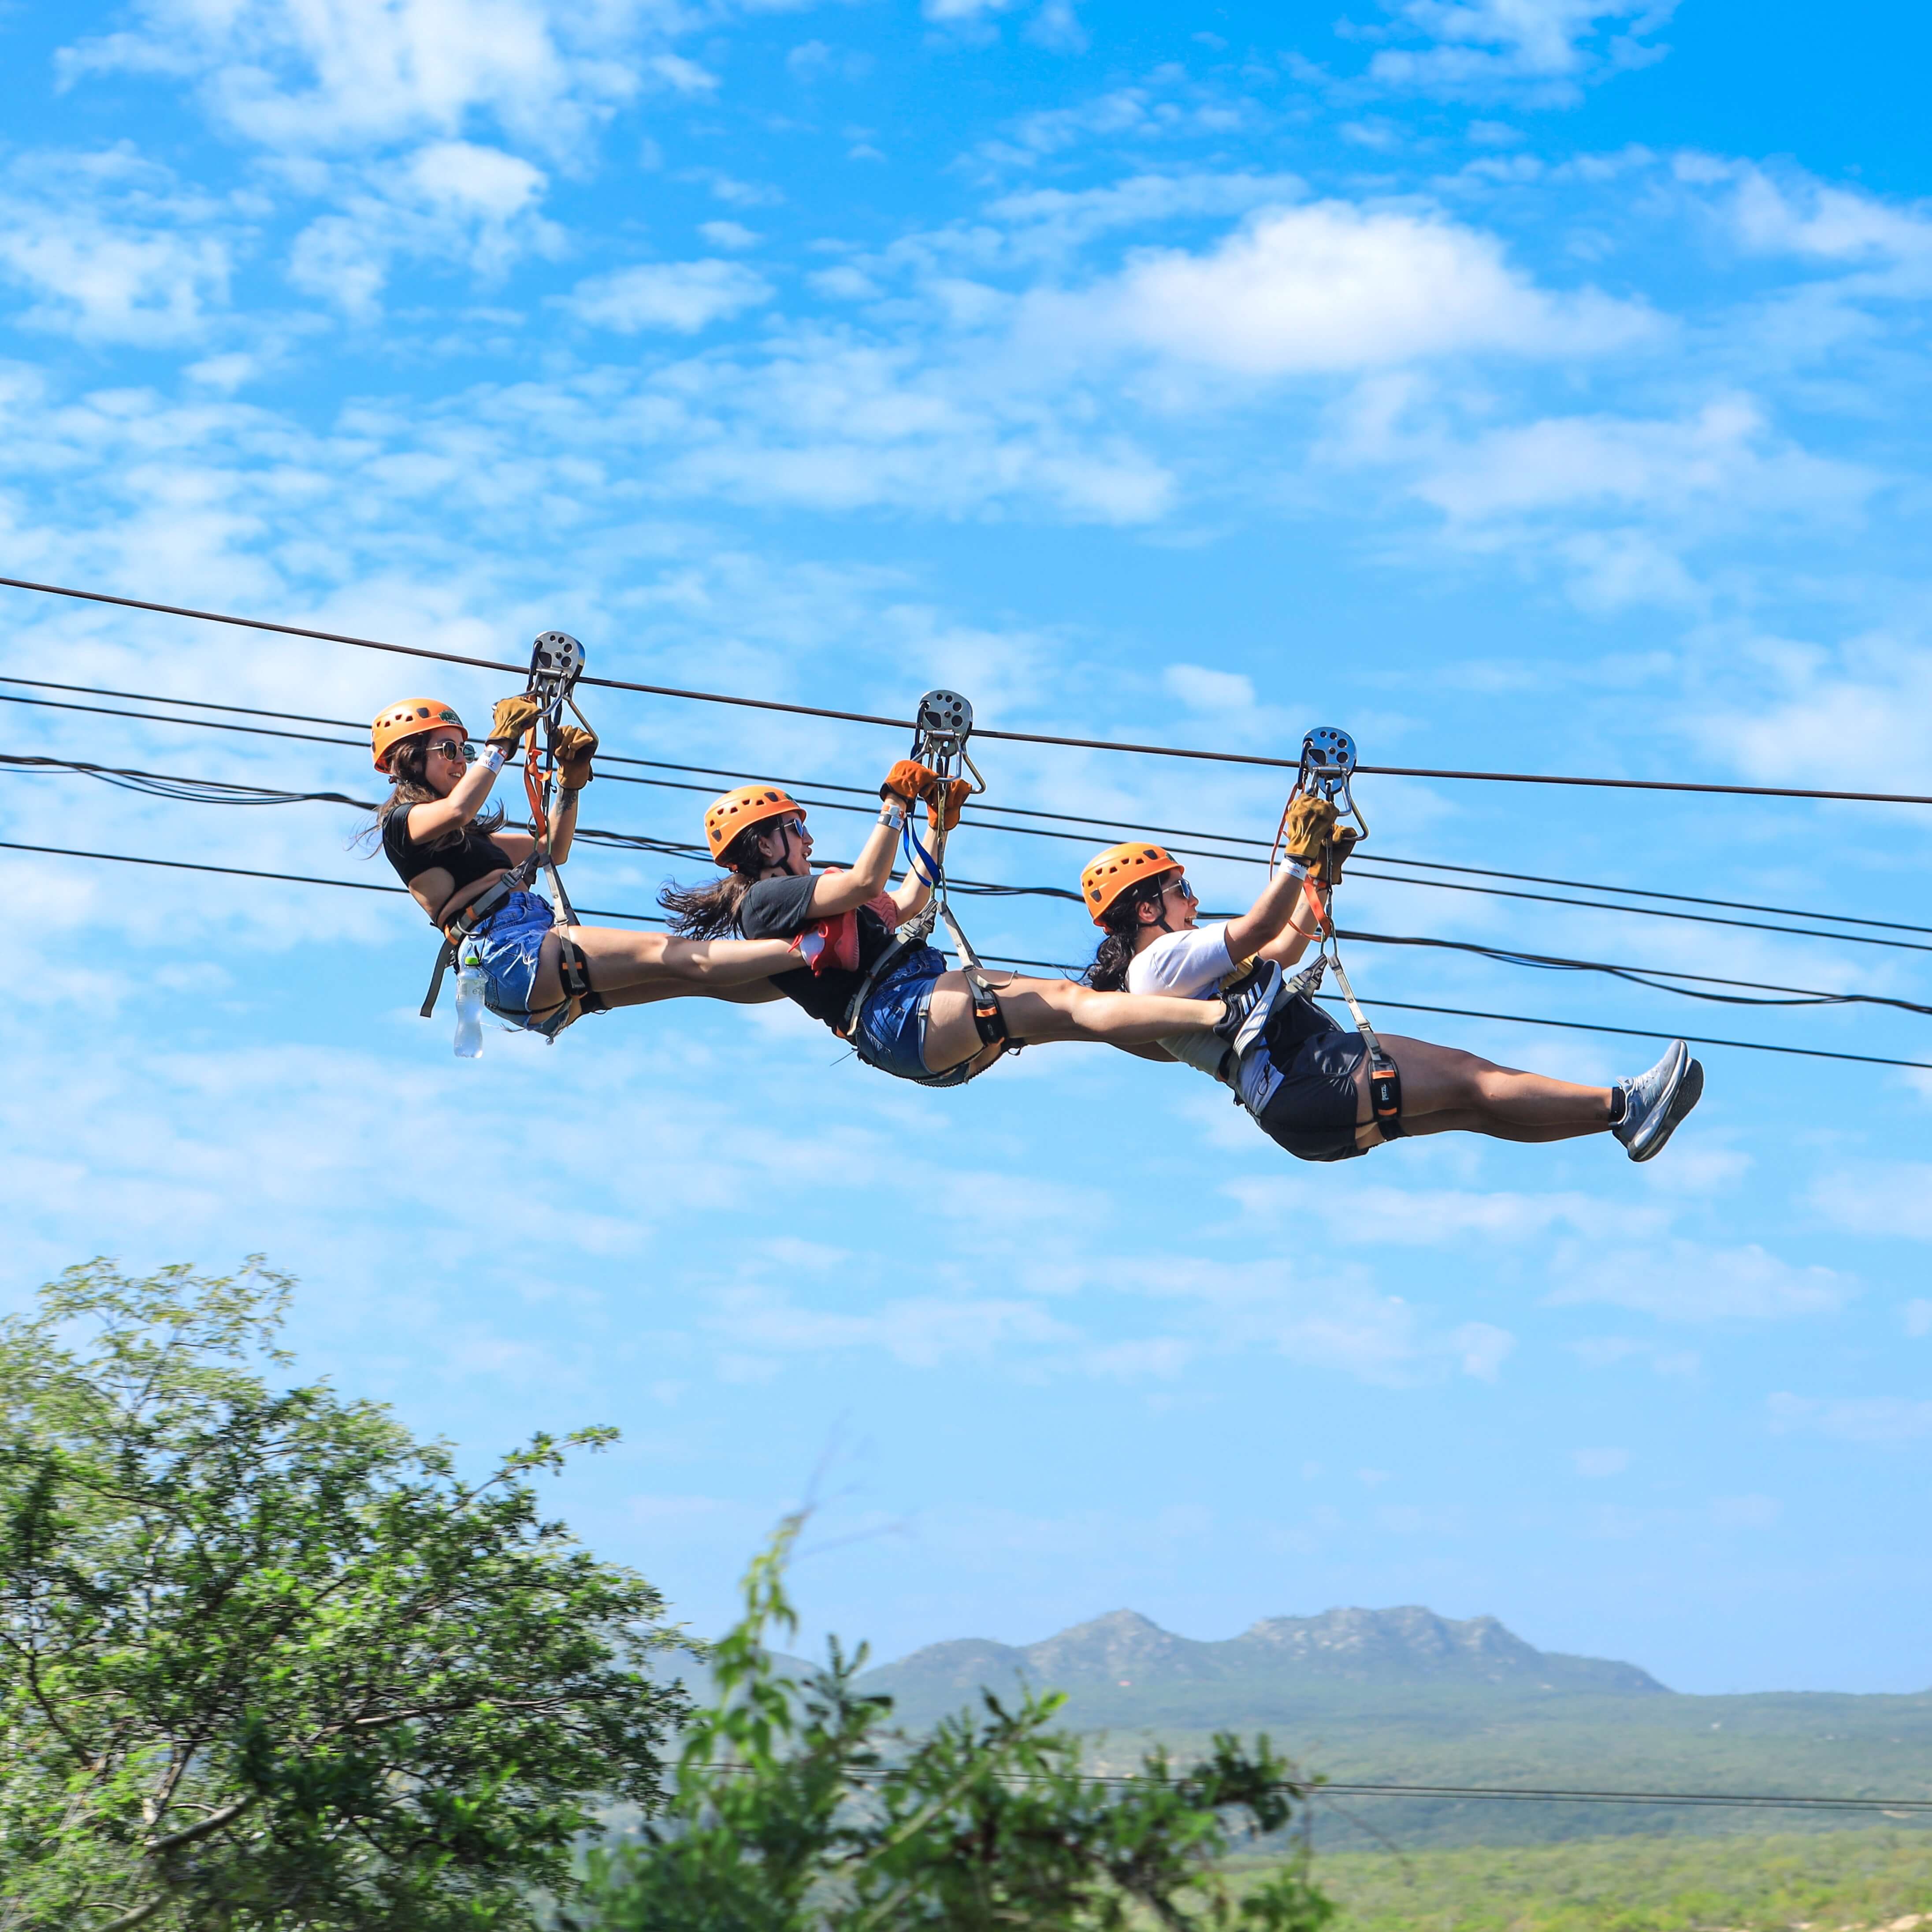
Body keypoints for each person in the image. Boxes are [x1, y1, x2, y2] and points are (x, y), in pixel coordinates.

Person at [1080, 807, 1704, 1163]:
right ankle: (1624, 1104)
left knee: (1475, 1110)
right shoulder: (1156, 967)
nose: (1193, 899)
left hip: (1298, 1109)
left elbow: (1285, 943)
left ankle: (1621, 1121)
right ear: (1146, 910)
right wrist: (1294, 860)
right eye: (1179, 889)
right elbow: (1256, 928)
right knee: (1469, 1075)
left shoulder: (1178, 971)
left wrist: (1318, 877)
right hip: (1310, 1073)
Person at [659, 768, 1282, 1086]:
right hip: (899, 1013)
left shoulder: (796, 901)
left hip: (917, 1022)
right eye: (796, 828)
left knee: (1085, 1017)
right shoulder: (764, 906)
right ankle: (1223, 1020)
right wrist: (893, 804)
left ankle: (1217, 1048)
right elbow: (866, 884)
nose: (809, 837)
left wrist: (936, 823)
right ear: (764, 845)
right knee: (1072, 1002)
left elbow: (905, 899)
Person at [369, 695, 796, 1036]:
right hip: (510, 953)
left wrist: (570, 783)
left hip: (530, 961)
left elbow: (552, 849)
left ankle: (812, 976)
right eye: (449, 750)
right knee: (679, 956)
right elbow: (461, 808)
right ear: (408, 758)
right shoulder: (400, 827)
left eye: (464, 750)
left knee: (698, 980)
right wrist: (499, 746)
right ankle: (811, 949)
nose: (462, 760)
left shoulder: (472, 841)